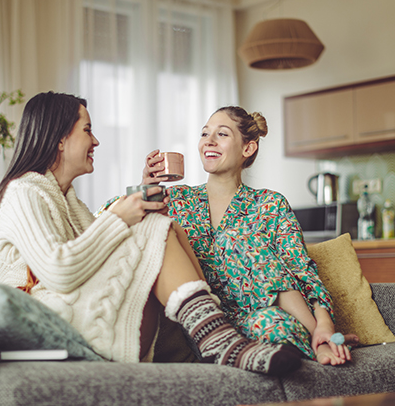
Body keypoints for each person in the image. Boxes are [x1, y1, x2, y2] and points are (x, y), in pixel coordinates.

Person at [0, 92, 302, 376]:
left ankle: (214, 336)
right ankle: (216, 339)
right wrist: (121, 215)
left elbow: (108, 252)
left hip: (88, 309)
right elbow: (61, 271)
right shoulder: (23, 191)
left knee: (159, 223)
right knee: (154, 225)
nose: (97, 141)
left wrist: (142, 195)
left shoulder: (70, 202)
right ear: (60, 139)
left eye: (222, 134)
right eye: (88, 130)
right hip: (60, 321)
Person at [142, 106, 359, 366]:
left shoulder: (270, 203)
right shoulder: (176, 199)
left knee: (273, 324)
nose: (208, 141)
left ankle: (320, 337)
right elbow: (113, 223)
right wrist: (146, 190)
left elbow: (302, 269)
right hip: (202, 325)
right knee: (233, 238)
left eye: (221, 134)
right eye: (204, 133)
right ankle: (320, 341)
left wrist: (325, 322)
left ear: (248, 148)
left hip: (254, 321)